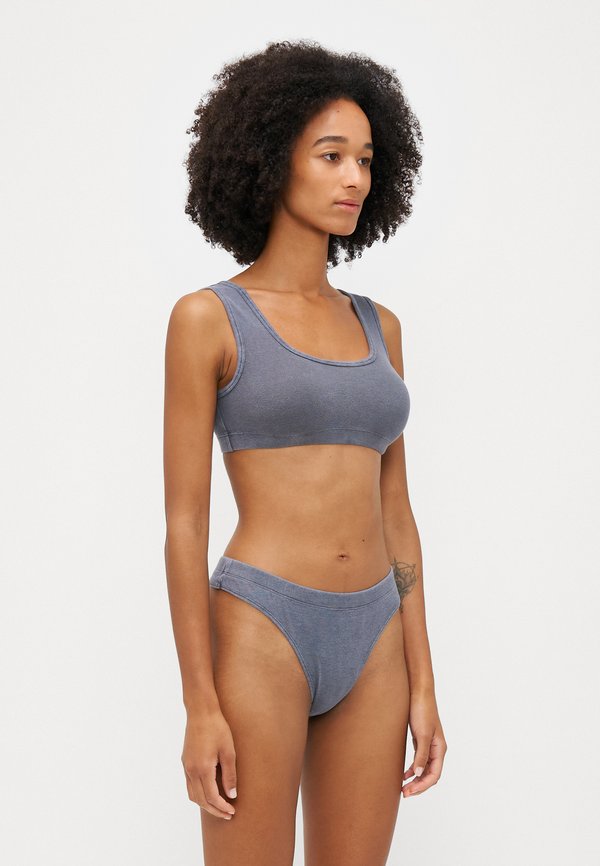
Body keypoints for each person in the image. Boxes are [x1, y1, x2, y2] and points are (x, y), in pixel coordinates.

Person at [163, 39, 447, 866]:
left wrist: (424, 681)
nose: (354, 177)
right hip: (262, 627)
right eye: (331, 156)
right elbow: (184, 525)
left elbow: (397, 512)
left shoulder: (380, 326)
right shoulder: (208, 319)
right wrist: (199, 705)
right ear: (269, 159)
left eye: (366, 159)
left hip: (376, 634)